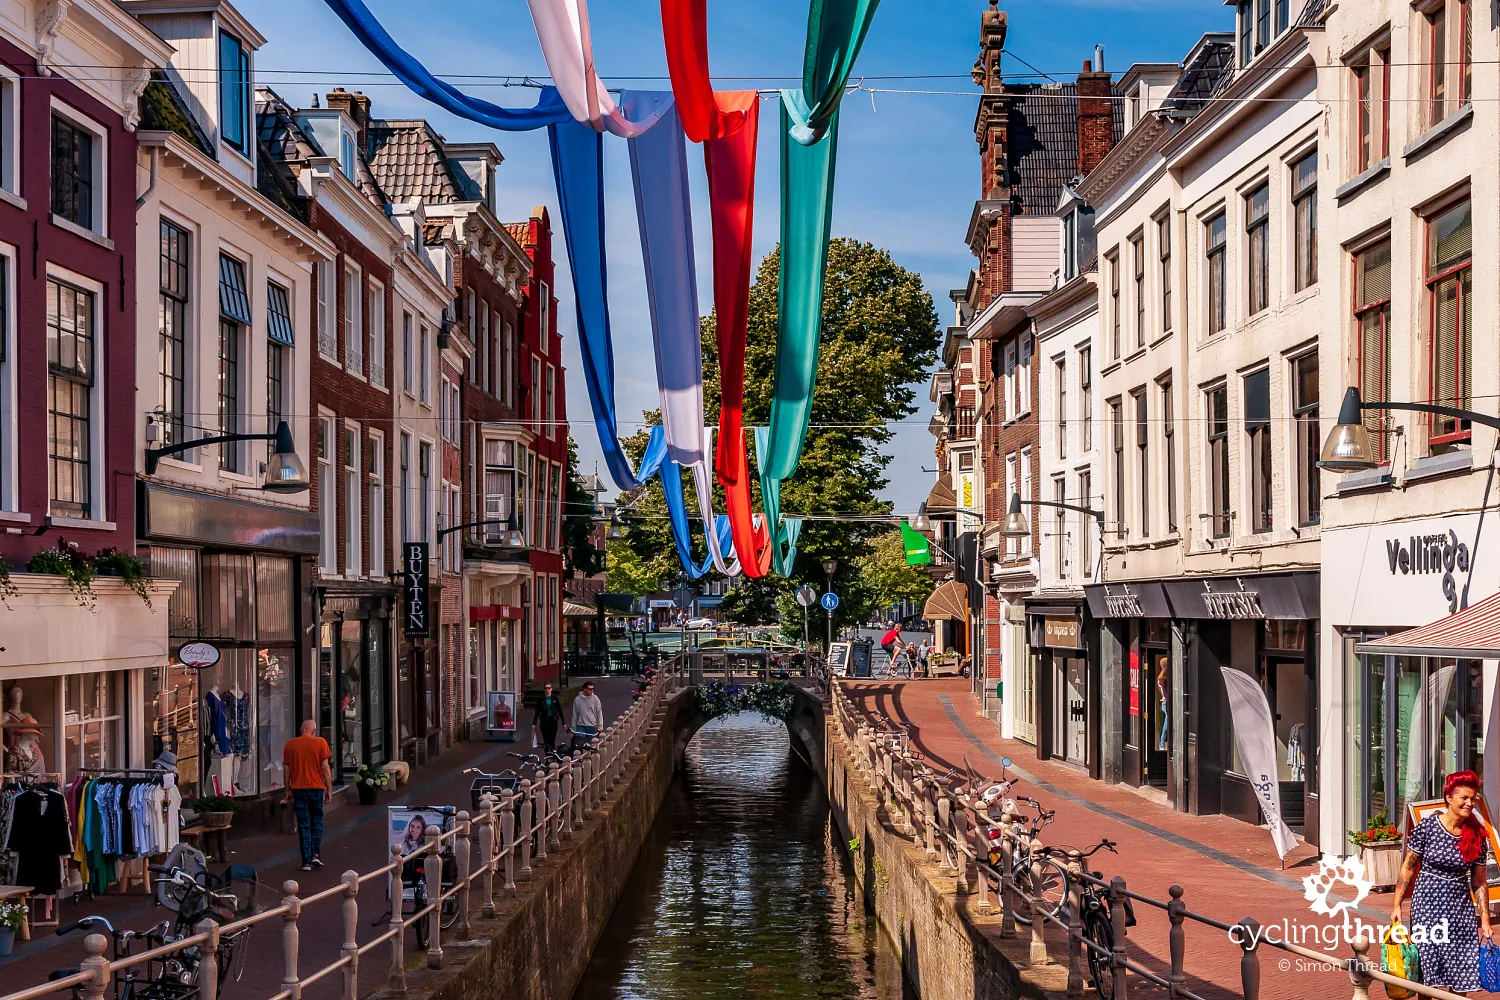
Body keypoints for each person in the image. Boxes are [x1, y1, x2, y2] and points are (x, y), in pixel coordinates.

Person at [1392, 769, 1494, 994]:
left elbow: (1479, 882)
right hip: (1427, 907)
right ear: (1449, 798)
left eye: (1473, 798)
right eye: (1464, 798)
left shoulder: (1477, 836)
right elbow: (1408, 867)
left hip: (1460, 911)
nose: (1469, 803)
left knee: (1463, 967)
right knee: (1428, 967)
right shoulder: (1427, 828)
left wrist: (1485, 919)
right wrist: (1397, 904)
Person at [281, 721, 332, 872]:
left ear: (301, 729)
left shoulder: (290, 744)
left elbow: (286, 769)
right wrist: (329, 788)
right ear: (313, 730)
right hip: (316, 788)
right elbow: (325, 768)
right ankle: (315, 853)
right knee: (317, 821)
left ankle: (306, 861)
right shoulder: (321, 742)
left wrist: (287, 790)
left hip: (298, 789)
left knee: (303, 824)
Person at [533, 683, 565, 750]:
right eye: (546, 688)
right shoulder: (541, 699)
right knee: (546, 740)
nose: (547, 689)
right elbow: (537, 711)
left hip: (553, 720)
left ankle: (553, 755)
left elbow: (559, 709)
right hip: (544, 721)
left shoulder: (554, 698)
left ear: (551, 689)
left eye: (549, 688)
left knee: (552, 739)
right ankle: (547, 757)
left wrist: (563, 722)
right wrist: (534, 723)